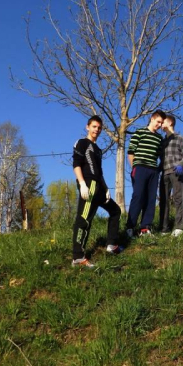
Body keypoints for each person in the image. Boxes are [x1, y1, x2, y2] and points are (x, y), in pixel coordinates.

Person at [72, 115, 122, 268]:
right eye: (94, 127)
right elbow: (76, 164)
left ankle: (111, 245)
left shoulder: (98, 150)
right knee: (84, 219)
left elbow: (99, 172)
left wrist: (106, 188)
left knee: (115, 210)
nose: (97, 130)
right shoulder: (82, 143)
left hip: (99, 187)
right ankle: (78, 257)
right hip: (88, 185)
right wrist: (82, 183)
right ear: (88, 127)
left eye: (99, 128)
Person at [126, 110, 165, 237]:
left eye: (161, 123)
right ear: (152, 118)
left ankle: (145, 227)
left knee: (151, 198)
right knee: (138, 196)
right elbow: (131, 152)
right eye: (158, 121)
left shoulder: (159, 138)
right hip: (140, 168)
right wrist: (133, 168)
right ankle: (130, 227)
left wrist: (158, 169)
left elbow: (161, 156)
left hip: (153, 170)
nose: (159, 125)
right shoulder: (139, 133)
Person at [159, 114, 183, 236]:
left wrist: (181, 164)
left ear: (170, 122)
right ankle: (164, 228)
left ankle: (179, 227)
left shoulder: (179, 138)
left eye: (163, 122)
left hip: (176, 172)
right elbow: (161, 158)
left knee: (178, 198)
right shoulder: (163, 141)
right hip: (164, 173)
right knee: (164, 201)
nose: (161, 124)